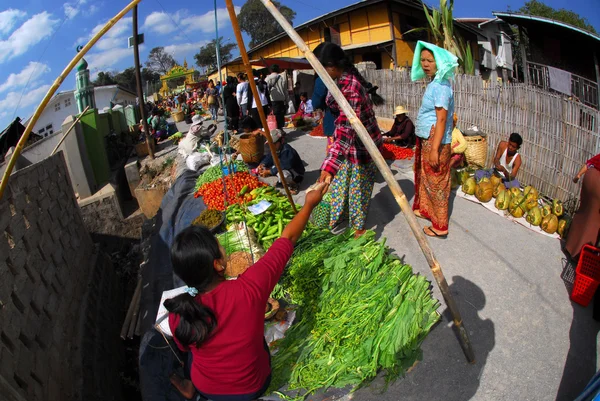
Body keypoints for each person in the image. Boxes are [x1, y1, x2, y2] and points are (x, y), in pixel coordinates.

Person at [165, 183, 328, 401]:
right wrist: (308, 204)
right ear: (218, 265)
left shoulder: (179, 311)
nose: (222, 246)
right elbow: (287, 239)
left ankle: (192, 388)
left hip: (207, 388)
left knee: (193, 354)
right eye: (218, 245)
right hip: (252, 387)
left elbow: (185, 347)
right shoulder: (249, 288)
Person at [315, 42, 384, 238]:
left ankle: (358, 230)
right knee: (340, 184)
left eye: (320, 68)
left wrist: (328, 166)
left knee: (358, 191)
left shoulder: (351, 87)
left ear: (332, 66)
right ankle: (341, 216)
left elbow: (347, 131)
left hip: (364, 146)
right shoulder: (336, 80)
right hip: (348, 142)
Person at [412, 40, 458, 238]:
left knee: (437, 182)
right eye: (422, 60)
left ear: (439, 62)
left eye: (430, 60)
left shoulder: (440, 86)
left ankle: (440, 226)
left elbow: (441, 119)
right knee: (428, 178)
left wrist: (434, 149)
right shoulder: (436, 83)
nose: (425, 64)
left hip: (435, 140)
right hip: (429, 137)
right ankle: (426, 210)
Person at [565, 153, 600, 259]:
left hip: (590, 178)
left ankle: (570, 246)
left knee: (584, 211)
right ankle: (579, 255)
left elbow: (589, 164)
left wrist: (578, 176)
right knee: (595, 221)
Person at [258, 129, 305, 194]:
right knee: (269, 167)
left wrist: (270, 171)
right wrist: (263, 164)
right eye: (270, 144)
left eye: (274, 143)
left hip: (295, 172)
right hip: (283, 168)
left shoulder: (287, 150)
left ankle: (295, 184)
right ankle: (282, 181)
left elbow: (284, 165)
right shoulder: (275, 148)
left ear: (282, 141)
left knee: (283, 175)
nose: (271, 146)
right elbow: (269, 157)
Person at [311, 74, 335, 154]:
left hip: (333, 120)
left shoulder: (323, 77)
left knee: (335, 154)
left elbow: (316, 102)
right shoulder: (351, 74)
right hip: (356, 122)